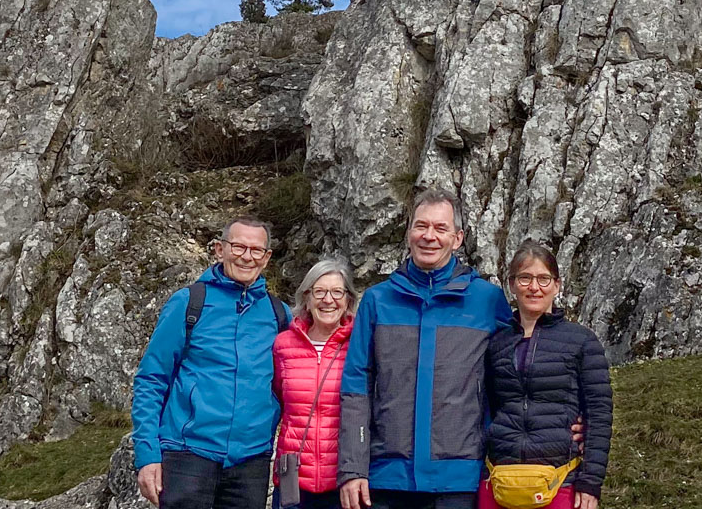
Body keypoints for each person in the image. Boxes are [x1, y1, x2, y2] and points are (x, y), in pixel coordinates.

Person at [339, 189, 512, 509]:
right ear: (408, 233)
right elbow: (356, 386)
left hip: (460, 479)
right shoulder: (378, 300)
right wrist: (352, 467)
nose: (429, 236)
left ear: (457, 239)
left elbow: (515, 378)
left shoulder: (487, 300)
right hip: (386, 478)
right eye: (421, 226)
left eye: (440, 228)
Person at [132, 217, 291, 509]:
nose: (247, 256)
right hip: (187, 456)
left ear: (267, 258)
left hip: (250, 462)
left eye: (256, 250)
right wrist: (148, 455)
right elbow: (152, 379)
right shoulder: (189, 303)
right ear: (220, 249)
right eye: (238, 246)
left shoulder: (279, 314)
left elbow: (292, 383)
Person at [479, 241, 610, 509]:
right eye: (525, 278)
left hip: (560, 480)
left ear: (557, 285)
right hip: (499, 479)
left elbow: (599, 412)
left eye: (543, 279)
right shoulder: (495, 344)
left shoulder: (582, 341)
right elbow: (487, 409)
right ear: (512, 285)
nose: (534, 287)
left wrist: (591, 482)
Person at [273, 258, 359, 509]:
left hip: (344, 480)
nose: (328, 300)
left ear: (348, 300)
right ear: (307, 299)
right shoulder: (283, 345)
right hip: (294, 480)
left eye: (336, 292)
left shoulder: (360, 345)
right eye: (319, 291)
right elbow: (277, 399)